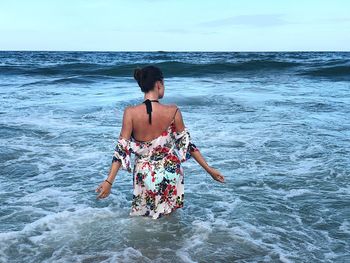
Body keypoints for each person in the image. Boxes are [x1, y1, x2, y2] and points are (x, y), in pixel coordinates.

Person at [95, 65, 225, 219]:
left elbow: (121, 150)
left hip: (143, 174)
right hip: (170, 172)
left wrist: (109, 182)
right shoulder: (173, 111)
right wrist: (209, 170)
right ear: (158, 84)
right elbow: (188, 145)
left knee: (146, 220)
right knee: (168, 221)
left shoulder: (130, 113)